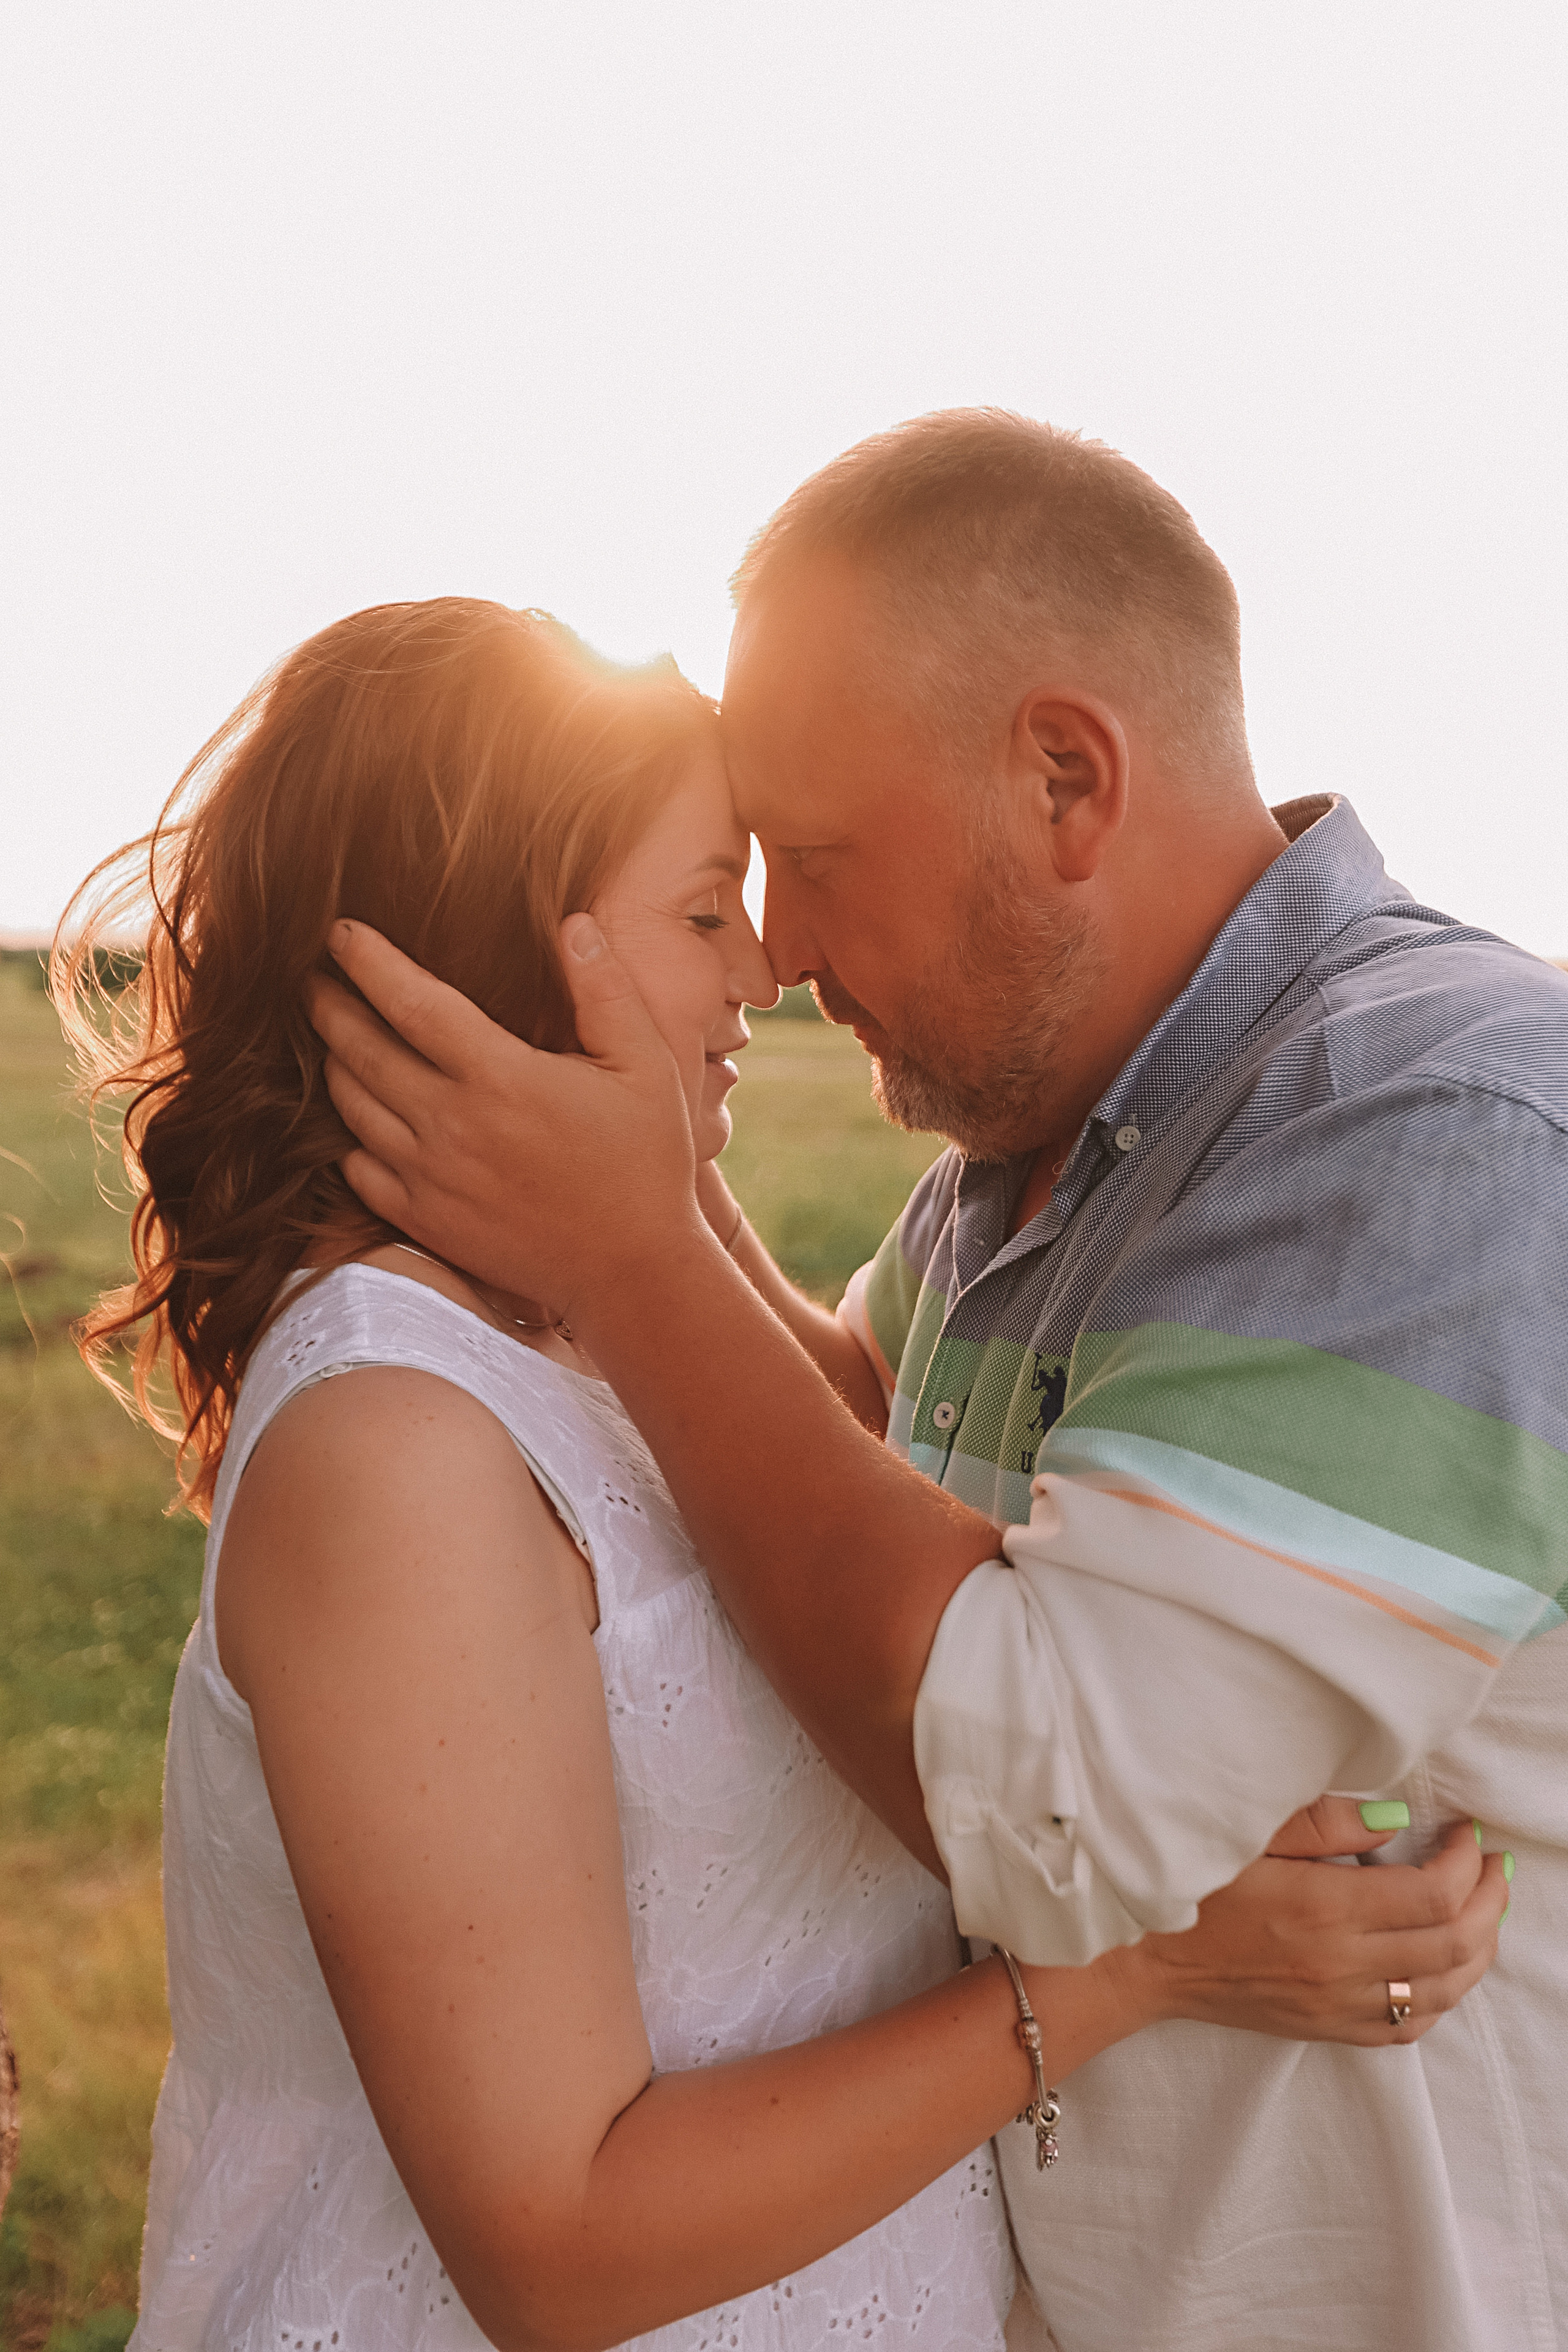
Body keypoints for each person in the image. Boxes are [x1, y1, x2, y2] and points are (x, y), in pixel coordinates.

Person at [57, 598, 1496, 2352]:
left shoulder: (600, 1328)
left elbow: (869, 1440)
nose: (761, 968)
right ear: (500, 964)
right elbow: (558, 2242)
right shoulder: (398, 1442)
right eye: (698, 909)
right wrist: (1142, 1963)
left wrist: (639, 1187)